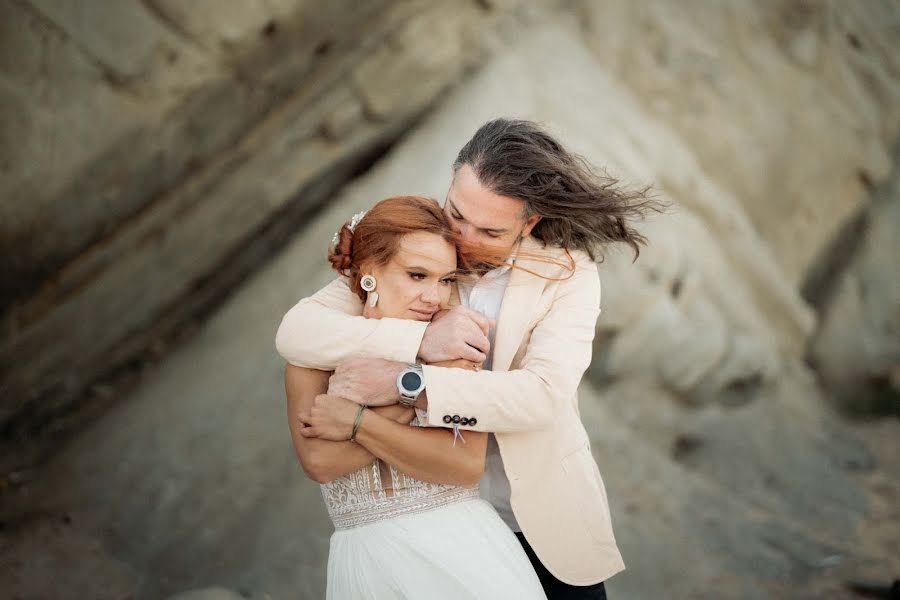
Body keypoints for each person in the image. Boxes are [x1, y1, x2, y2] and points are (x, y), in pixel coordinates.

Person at [277, 118, 658, 599]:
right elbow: (298, 332)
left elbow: (542, 396)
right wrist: (420, 345)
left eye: (490, 230)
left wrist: (408, 382)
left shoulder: (568, 275)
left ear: (529, 222)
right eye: (458, 215)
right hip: (433, 521)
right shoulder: (419, 250)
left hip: (540, 518)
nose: (466, 240)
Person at [284, 195, 547, 599]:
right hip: (366, 563)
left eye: (445, 280)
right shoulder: (310, 356)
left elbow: (462, 465)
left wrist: (363, 418)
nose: (435, 298)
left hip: (466, 551)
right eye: (417, 275)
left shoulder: (454, 348)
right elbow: (320, 461)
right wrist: (424, 401)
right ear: (370, 272)